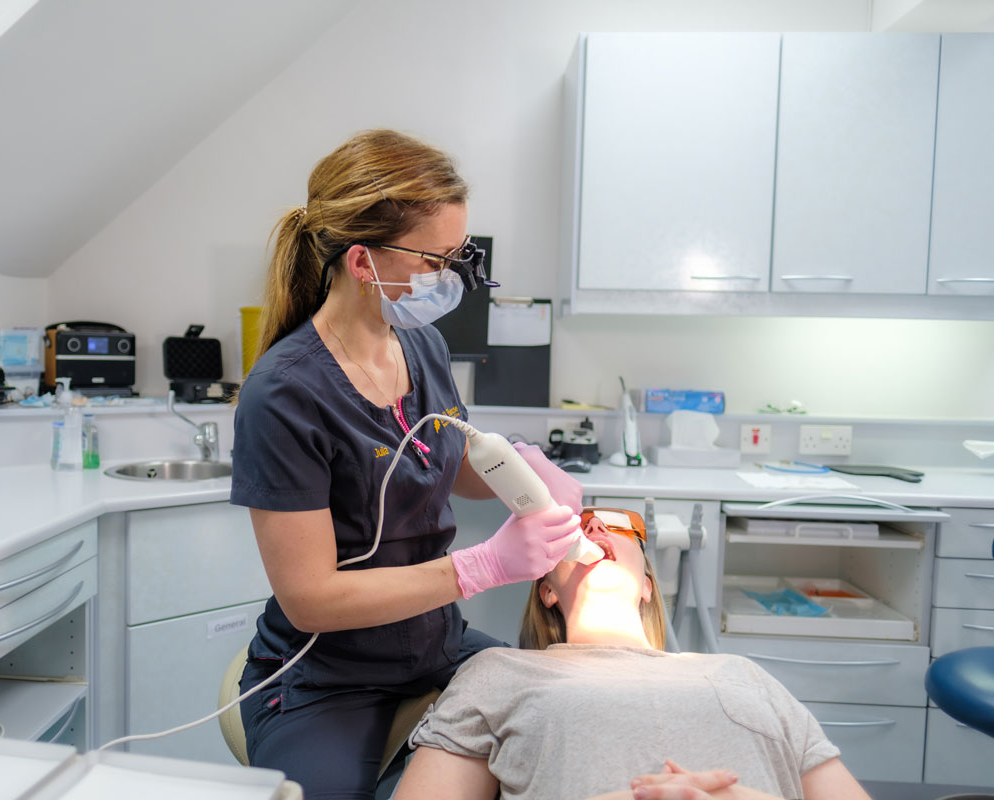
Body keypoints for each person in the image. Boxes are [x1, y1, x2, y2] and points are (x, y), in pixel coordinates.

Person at [229, 129, 583, 799]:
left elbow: (448, 462)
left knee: (566, 733)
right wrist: (483, 566)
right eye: (438, 259)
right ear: (362, 262)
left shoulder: (419, 345)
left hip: (436, 648)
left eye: (460, 256)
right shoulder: (285, 394)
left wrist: (531, 476)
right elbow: (310, 600)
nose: (454, 278)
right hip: (324, 675)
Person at [396, 509, 873, 800]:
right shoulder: (500, 673)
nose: (598, 526)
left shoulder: (743, 674)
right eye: (580, 525)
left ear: (647, 584)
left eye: (619, 527)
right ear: (546, 590)